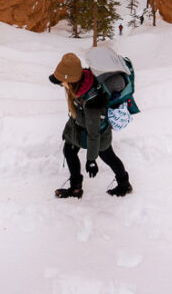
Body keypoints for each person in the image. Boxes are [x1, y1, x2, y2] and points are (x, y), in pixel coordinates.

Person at [49, 52, 132, 199]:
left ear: (71, 80)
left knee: (108, 157)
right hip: (79, 131)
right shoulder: (78, 84)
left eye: (62, 81)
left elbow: (94, 133)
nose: (61, 84)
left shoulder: (92, 102)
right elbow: (76, 113)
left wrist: (91, 160)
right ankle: (75, 188)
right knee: (69, 150)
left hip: (98, 135)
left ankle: (124, 184)